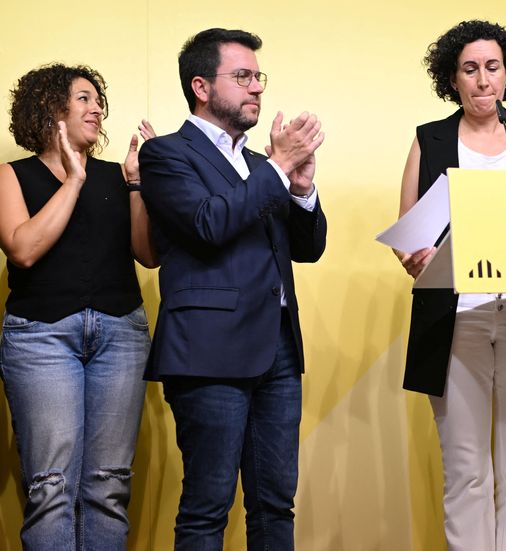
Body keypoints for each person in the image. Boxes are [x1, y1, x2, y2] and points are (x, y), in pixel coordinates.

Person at [138, 28, 326, 550]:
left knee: (274, 504)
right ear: (201, 86)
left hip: (279, 350)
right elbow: (207, 224)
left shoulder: (261, 163)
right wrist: (281, 167)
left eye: (258, 78)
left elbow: (306, 249)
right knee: (207, 507)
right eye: (242, 77)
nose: (256, 89)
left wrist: (303, 188)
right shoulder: (167, 155)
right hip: (208, 352)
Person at [397, 20, 506, 551]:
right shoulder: (430, 138)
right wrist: (415, 256)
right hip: (455, 322)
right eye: (469, 69)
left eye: (492, 67)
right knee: (466, 473)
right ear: (453, 78)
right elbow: (408, 233)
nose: (482, 79)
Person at [0, 63, 156, 550]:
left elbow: (148, 255)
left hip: (120, 335)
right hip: (39, 338)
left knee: (109, 486)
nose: (97, 108)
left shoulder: (115, 175)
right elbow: (22, 249)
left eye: (98, 100)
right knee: (51, 487)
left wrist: (135, 185)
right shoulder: (12, 176)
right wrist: (73, 179)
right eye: (84, 98)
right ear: (52, 109)